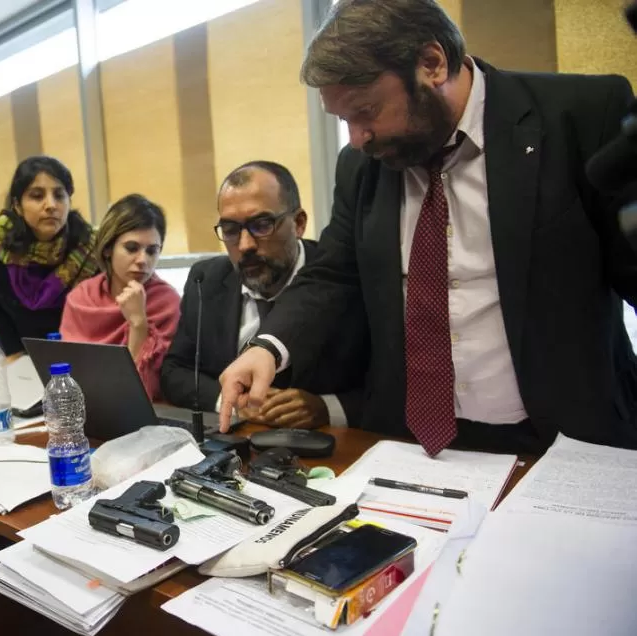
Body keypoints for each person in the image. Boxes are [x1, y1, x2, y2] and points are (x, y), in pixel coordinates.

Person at [219, 0, 637, 456]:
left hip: (566, 438)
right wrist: (267, 349)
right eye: (344, 122)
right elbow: (334, 273)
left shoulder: (582, 115)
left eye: (366, 111)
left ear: (432, 64)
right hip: (414, 443)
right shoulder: (360, 166)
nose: (358, 138)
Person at [161, 162, 366, 428]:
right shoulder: (206, 279)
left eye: (262, 224)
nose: (245, 245)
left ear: (299, 223)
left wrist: (326, 408)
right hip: (237, 445)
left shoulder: (343, 277)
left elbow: (390, 385)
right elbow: (175, 372)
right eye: (231, 230)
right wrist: (229, 400)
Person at [0, 156, 100, 355]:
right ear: (17, 205)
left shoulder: (91, 248)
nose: (51, 205)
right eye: (37, 196)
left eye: (59, 195)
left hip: (85, 354)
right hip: (20, 357)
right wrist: (17, 357)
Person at [60, 194, 181, 400]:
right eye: (131, 248)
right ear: (108, 248)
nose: (143, 260)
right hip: (86, 410)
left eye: (152, 251)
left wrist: (138, 324)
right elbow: (68, 377)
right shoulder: (82, 298)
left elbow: (144, 392)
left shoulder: (167, 302)